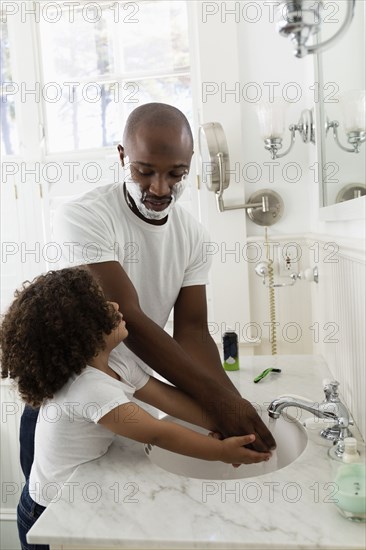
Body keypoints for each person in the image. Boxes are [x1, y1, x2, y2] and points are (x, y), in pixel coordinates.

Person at [19, 102, 275, 481]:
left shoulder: (193, 236)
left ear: (190, 162)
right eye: (144, 171)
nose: (160, 188)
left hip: (129, 388)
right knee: (49, 520)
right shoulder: (84, 216)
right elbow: (131, 319)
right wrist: (223, 404)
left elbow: (191, 331)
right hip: (68, 402)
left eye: (176, 174)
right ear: (122, 156)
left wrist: (235, 409)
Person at [0, 267, 272, 550]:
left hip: (80, 494)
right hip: (48, 513)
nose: (115, 306)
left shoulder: (116, 362)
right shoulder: (88, 387)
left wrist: (228, 424)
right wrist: (220, 451)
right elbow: (157, 433)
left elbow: (171, 401)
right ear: (79, 331)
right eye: (100, 307)